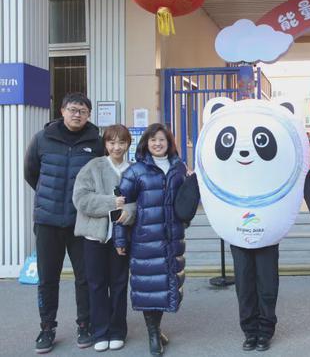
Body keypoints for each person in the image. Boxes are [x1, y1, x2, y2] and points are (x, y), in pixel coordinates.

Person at [24, 92, 103, 354]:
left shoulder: (97, 142)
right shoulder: (42, 138)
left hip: (81, 221)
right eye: (72, 109)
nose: (77, 114)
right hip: (48, 221)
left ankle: (85, 324)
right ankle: (47, 328)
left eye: (82, 110)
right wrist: (50, 198)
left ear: (89, 115)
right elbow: (31, 172)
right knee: (47, 278)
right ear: (62, 110)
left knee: (85, 277)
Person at [113, 123, 188, 356]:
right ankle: (153, 333)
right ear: (146, 143)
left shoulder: (179, 168)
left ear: (169, 143)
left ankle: (157, 327)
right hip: (145, 238)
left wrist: (185, 220)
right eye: (153, 139)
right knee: (149, 286)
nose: (158, 143)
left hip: (172, 237)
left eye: (162, 140)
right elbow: (120, 206)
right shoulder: (136, 171)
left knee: (166, 285)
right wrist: (120, 239)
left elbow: (185, 200)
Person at [72, 124, 135, 352]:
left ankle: (118, 330)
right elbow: (80, 199)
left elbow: (141, 202)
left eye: (121, 142)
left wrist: (130, 214)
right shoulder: (93, 167)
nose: (116, 147)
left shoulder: (134, 170)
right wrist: (112, 203)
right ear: (105, 144)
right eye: (111, 142)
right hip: (93, 237)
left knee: (119, 284)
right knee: (96, 285)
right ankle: (100, 331)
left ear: (128, 143)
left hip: (121, 239)